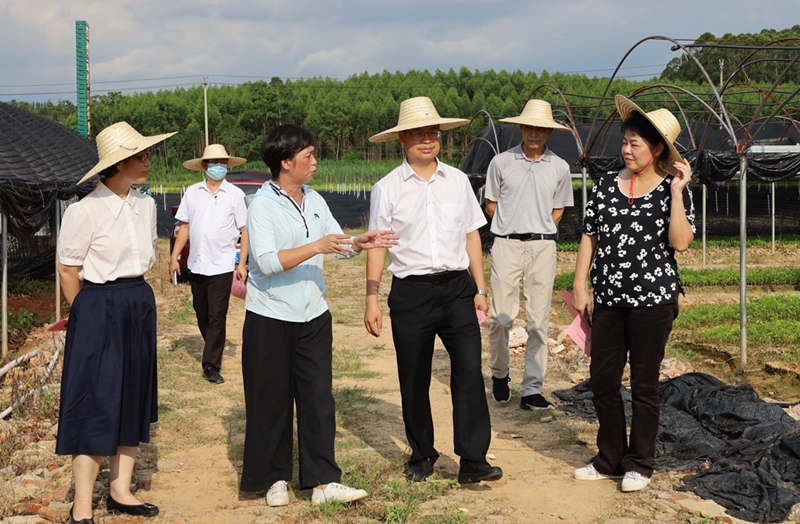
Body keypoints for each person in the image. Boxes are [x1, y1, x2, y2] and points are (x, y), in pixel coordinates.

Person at [241, 123, 397, 506]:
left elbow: (337, 243)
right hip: (270, 316)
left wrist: (360, 243)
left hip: (313, 314)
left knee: (317, 399)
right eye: (308, 156)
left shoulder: (314, 199)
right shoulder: (261, 205)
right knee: (271, 399)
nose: (315, 162)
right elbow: (266, 261)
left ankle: (323, 482)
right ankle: (275, 478)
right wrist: (317, 246)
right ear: (285, 162)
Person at [364, 96, 503, 485]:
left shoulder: (458, 181)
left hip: (457, 289)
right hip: (411, 293)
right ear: (402, 139)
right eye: (418, 134)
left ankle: (473, 458)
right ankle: (422, 453)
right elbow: (377, 245)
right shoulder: (387, 188)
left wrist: (479, 287)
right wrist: (372, 296)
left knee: (468, 372)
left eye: (433, 133)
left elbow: (471, 235)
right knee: (413, 376)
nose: (427, 140)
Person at [571, 95, 695, 492]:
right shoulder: (607, 185)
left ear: (657, 148)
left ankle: (639, 463)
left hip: (653, 303)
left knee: (644, 385)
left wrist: (677, 193)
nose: (626, 150)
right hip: (607, 299)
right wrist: (579, 284)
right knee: (603, 381)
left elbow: (680, 243)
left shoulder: (671, 190)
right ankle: (609, 458)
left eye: (635, 144)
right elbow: (590, 235)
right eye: (624, 142)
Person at [57, 122, 176, 523]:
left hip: (138, 300)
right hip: (97, 304)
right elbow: (68, 270)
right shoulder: (84, 210)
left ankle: (121, 490)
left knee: (131, 392)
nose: (147, 162)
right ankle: (83, 505)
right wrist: (86, 315)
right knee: (94, 400)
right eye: (140, 157)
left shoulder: (145, 205)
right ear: (118, 164)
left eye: (145, 155)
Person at [485, 99, 574, 409]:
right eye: (528, 126)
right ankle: (499, 373)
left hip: (543, 247)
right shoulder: (501, 162)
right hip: (506, 244)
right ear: (520, 127)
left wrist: (539, 229)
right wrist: (513, 225)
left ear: (548, 131)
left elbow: (559, 209)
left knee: (538, 321)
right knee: (500, 317)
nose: (533, 132)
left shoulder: (560, 167)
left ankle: (532, 389)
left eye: (540, 128)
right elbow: (491, 204)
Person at [169, 144, 249, 384]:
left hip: (222, 265)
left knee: (217, 314)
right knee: (201, 311)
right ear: (204, 166)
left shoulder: (235, 195)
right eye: (213, 163)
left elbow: (245, 231)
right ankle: (212, 345)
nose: (218, 167)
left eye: (222, 163)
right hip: (197, 264)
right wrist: (174, 257)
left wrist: (242, 263)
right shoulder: (192, 193)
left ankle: (211, 364)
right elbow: (184, 226)